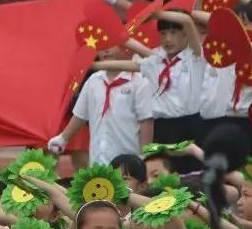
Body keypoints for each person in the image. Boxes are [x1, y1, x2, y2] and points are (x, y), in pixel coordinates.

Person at [48, 45, 153, 166]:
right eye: (103, 45)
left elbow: (146, 121)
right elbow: (80, 116)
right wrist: (63, 138)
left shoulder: (139, 82)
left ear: (127, 48)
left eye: (112, 45)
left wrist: (145, 154)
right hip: (98, 159)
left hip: (128, 161)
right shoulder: (93, 80)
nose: (105, 49)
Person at [140, 15, 205, 172]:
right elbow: (131, 64)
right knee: (164, 177)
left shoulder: (195, 57)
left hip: (190, 125)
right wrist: (93, 65)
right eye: (163, 33)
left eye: (173, 32)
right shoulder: (155, 61)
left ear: (185, 34)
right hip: (162, 127)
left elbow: (188, 21)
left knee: (193, 177)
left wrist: (158, 11)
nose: (168, 39)